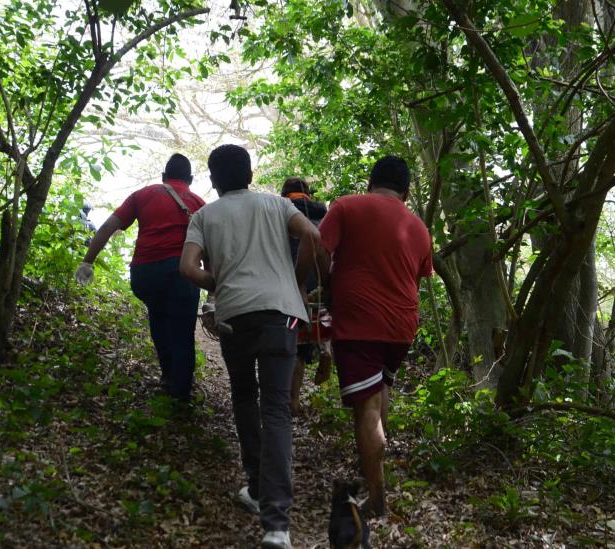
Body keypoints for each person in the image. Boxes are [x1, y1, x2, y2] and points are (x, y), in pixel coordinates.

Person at [180, 145, 319, 549]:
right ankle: (277, 526)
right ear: (251, 173)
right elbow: (311, 235)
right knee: (276, 408)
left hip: (236, 316)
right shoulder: (277, 206)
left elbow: (188, 267)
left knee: (244, 396)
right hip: (282, 314)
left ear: (213, 178)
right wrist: (296, 280)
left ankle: (257, 489)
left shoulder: (204, 215)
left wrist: (220, 284)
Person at [298, 155, 432, 517]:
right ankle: (375, 472)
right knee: (380, 391)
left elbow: (318, 246)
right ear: (405, 191)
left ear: (371, 181)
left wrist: (325, 283)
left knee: (367, 407)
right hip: (403, 326)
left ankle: (376, 495)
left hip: (360, 322)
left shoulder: (347, 206)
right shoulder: (419, 227)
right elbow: (418, 277)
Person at [74, 153, 204, 402]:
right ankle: (181, 392)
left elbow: (108, 227)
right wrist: (214, 289)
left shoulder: (143, 195)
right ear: (190, 179)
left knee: (158, 316)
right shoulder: (199, 203)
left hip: (145, 274)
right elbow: (210, 247)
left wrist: (87, 261)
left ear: (164, 177)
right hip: (182, 273)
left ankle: (167, 376)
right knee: (182, 332)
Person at [280, 177, 331, 415]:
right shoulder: (324, 218)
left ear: (284, 194)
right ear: (309, 195)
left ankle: (292, 400)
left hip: (288, 287)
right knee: (321, 327)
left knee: (295, 346)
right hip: (318, 287)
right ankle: (326, 351)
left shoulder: (280, 216)